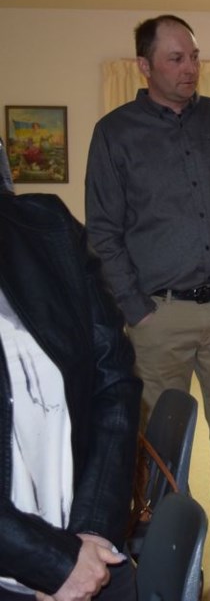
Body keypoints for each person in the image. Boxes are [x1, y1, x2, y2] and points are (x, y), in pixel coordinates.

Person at [84, 14, 210, 596]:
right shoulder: (115, 133)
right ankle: (159, 560)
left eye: (193, 56)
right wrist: (136, 308)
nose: (189, 67)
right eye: (175, 58)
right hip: (158, 317)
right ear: (144, 66)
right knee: (155, 448)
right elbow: (103, 232)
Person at [0, 157, 142, 600]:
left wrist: (92, 534)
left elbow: (114, 381)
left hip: (85, 546)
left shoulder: (47, 226)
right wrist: (51, 564)